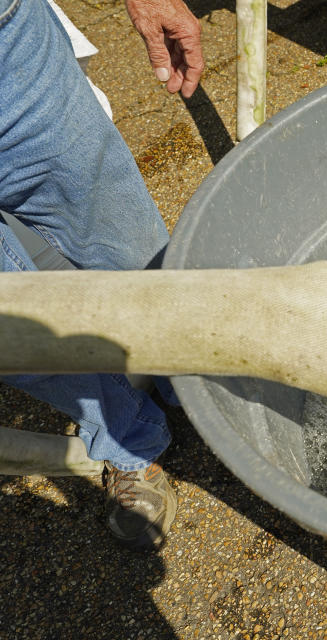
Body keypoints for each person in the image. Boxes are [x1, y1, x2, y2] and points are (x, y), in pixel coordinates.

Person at [0, 0, 204, 549]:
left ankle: (201, 387)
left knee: (128, 245)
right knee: (10, 332)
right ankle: (128, 437)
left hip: (8, 58)